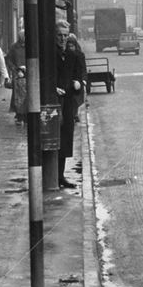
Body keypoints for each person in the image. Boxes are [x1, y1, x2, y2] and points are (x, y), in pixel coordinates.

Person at [55, 20, 86, 188]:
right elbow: (43, 76)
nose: (63, 39)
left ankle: (61, 176)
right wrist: (53, 89)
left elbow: (79, 75)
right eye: (59, 35)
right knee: (52, 138)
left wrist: (78, 83)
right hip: (53, 103)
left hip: (67, 104)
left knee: (66, 138)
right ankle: (52, 175)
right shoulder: (50, 54)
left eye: (65, 36)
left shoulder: (72, 55)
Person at [7, 22, 27, 124]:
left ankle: (25, 114)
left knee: (27, 95)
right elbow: (9, 60)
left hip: (28, 74)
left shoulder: (30, 46)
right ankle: (19, 114)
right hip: (18, 74)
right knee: (18, 95)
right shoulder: (14, 47)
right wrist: (15, 69)